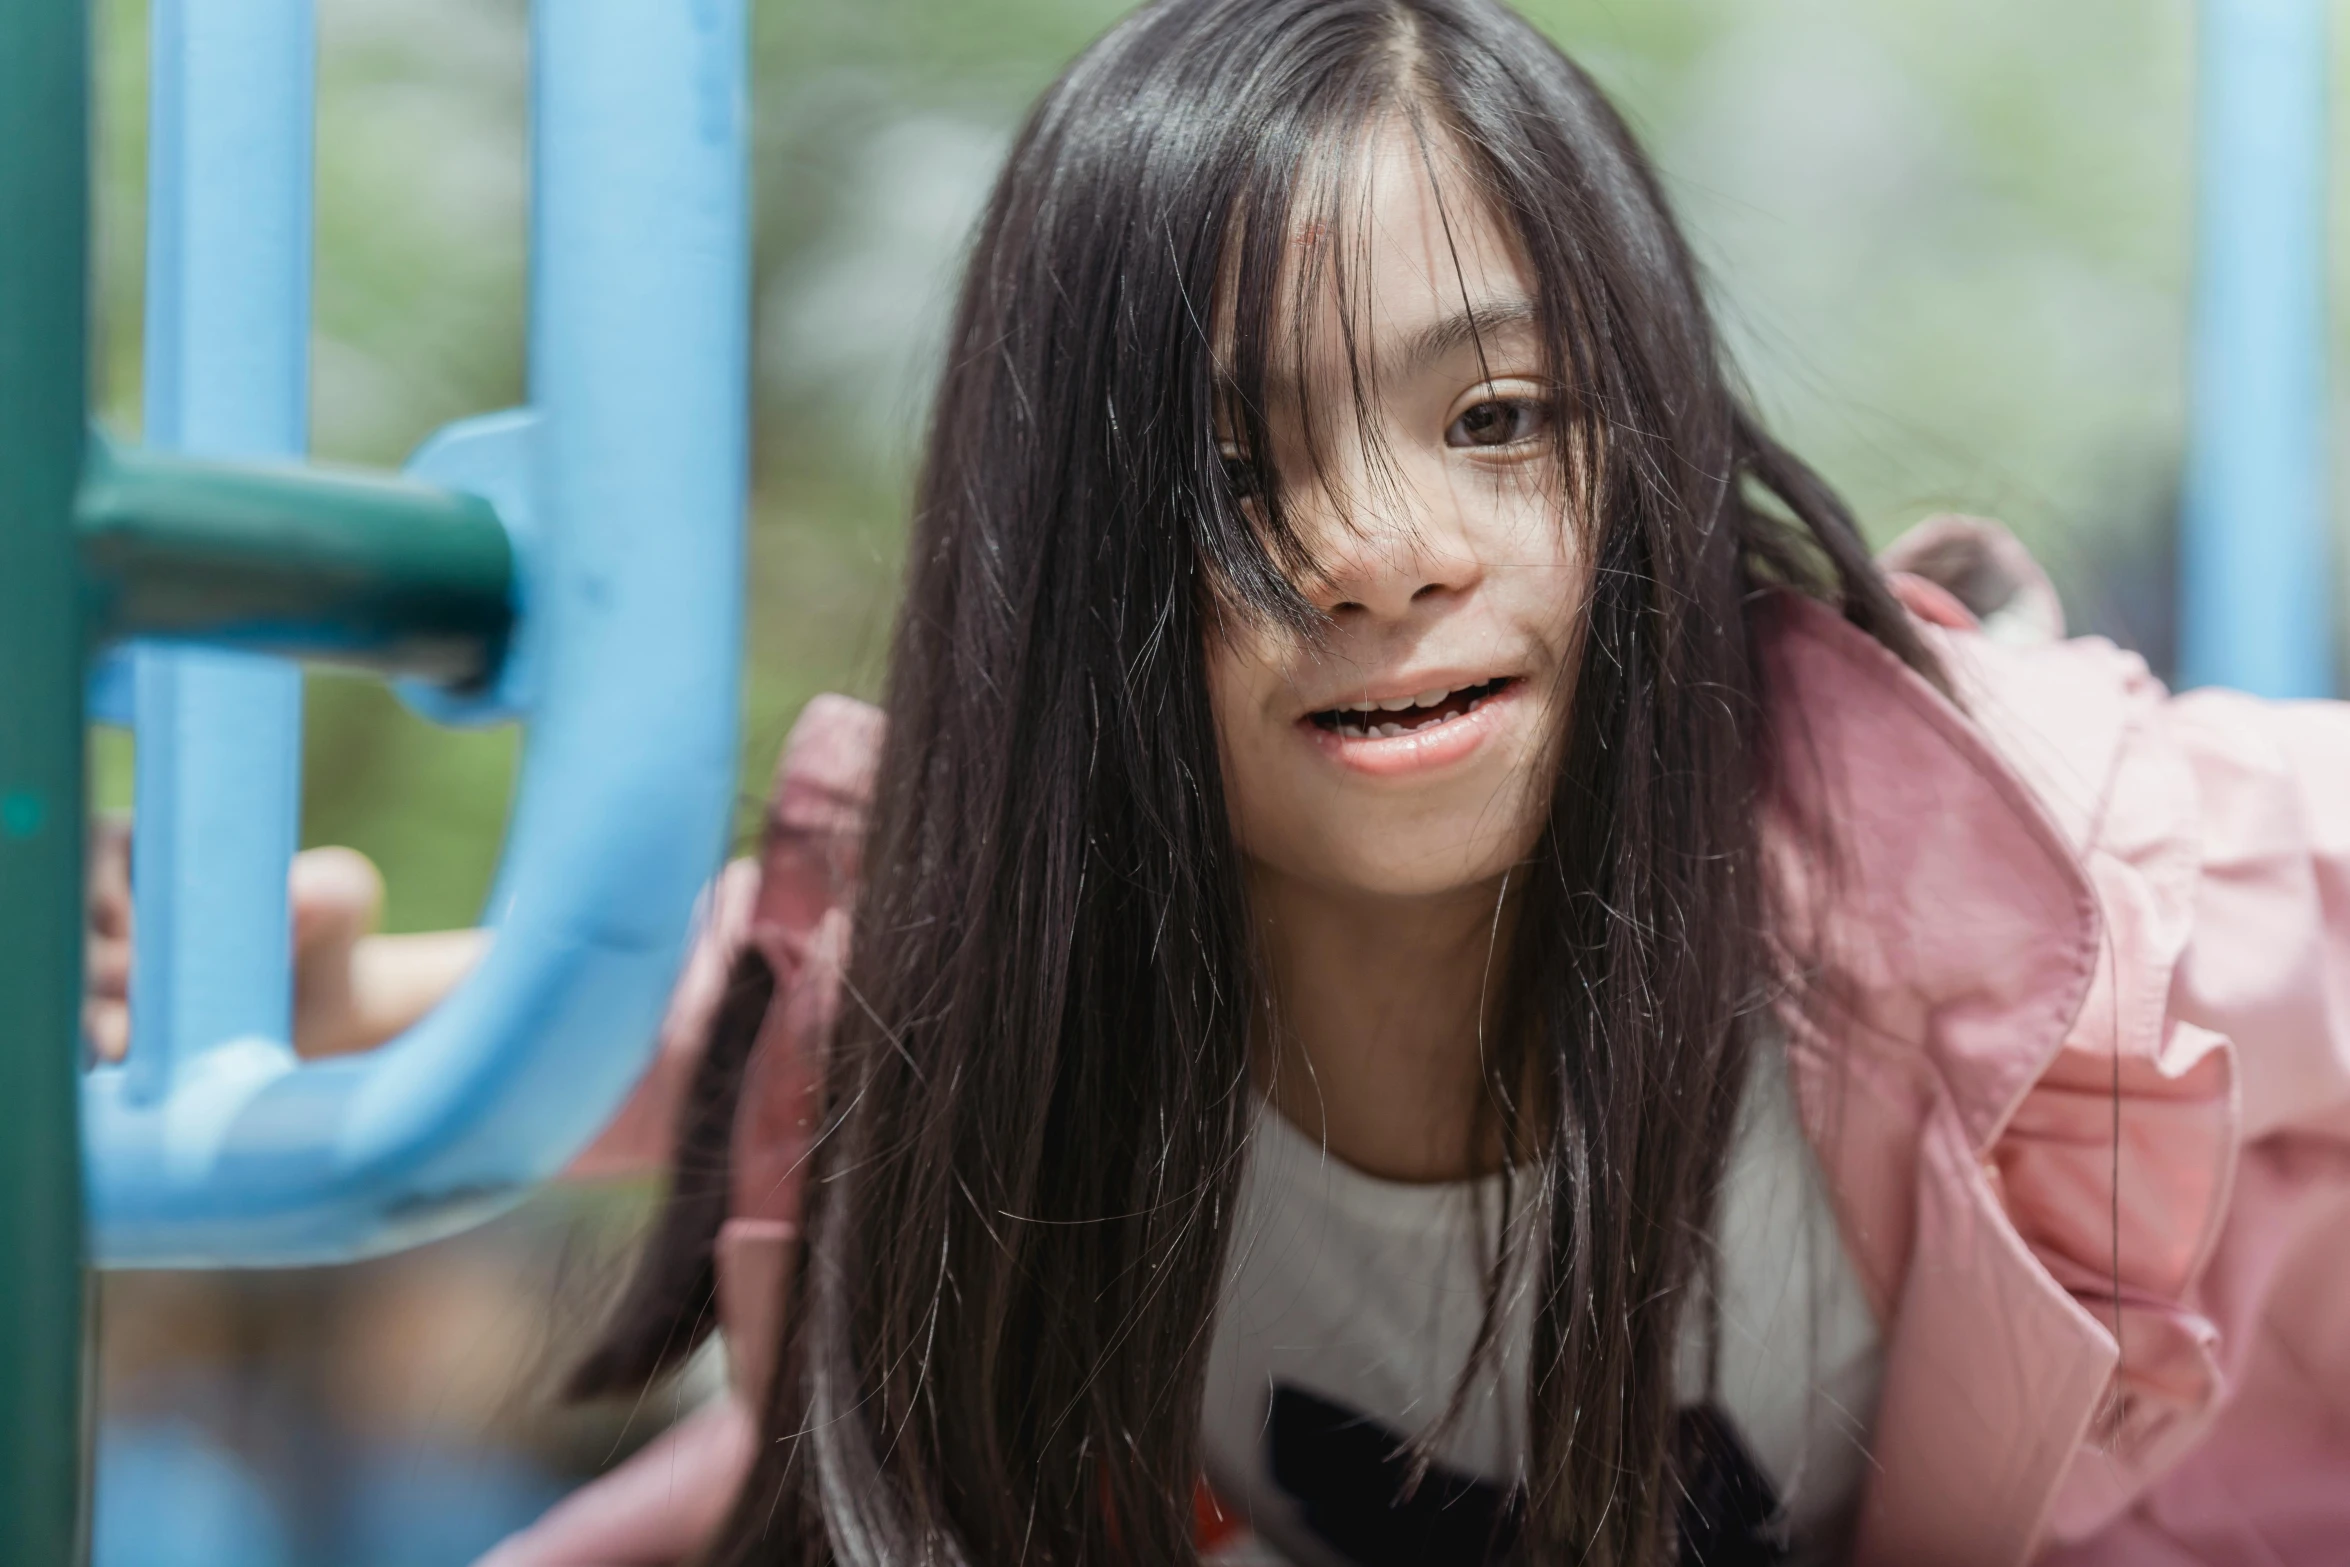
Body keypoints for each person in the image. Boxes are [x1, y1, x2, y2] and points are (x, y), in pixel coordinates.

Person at [449, 0, 2347, 1561]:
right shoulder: (967, 989)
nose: (1381, 546)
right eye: (1229, 465)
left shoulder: (2021, 894)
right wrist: (250, 981)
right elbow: (621, 1015)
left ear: (1641, 464)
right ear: (1063, 570)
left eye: (1497, 419)